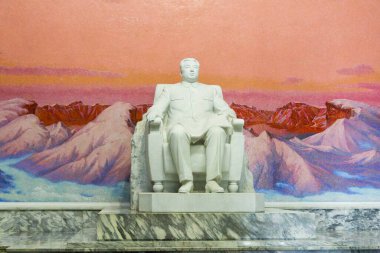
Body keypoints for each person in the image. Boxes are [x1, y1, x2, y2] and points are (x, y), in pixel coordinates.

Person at [146, 58, 236, 193]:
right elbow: (158, 107)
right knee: (177, 132)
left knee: (218, 131)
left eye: (195, 67)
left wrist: (231, 116)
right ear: (181, 72)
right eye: (188, 67)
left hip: (206, 126)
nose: (192, 69)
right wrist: (154, 114)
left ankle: (212, 182)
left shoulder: (210, 90)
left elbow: (225, 110)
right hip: (181, 126)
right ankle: (187, 181)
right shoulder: (170, 90)